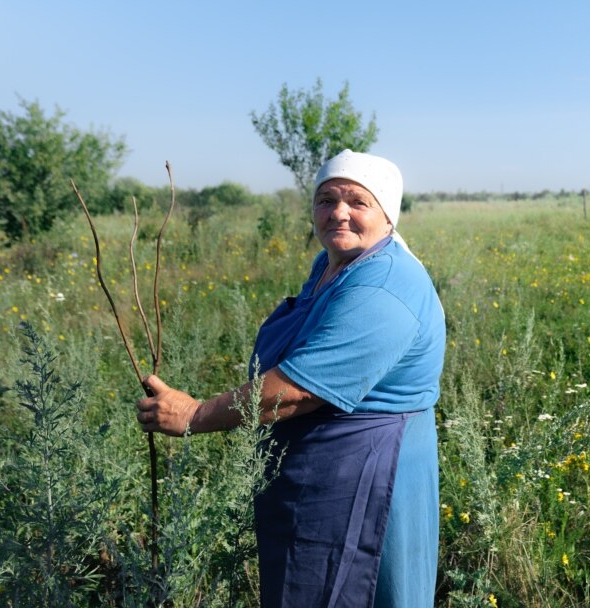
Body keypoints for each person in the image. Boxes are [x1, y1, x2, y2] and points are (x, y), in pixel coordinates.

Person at [136, 150, 446, 608]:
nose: (339, 212)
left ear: (387, 214)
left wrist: (193, 414)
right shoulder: (333, 264)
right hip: (324, 469)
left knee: (355, 586)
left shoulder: (384, 288)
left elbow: (299, 390)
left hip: (366, 473)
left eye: (358, 202)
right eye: (326, 199)